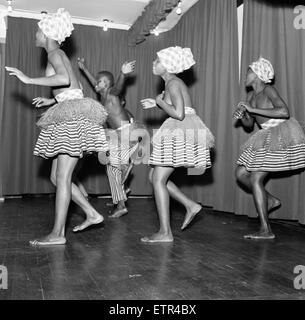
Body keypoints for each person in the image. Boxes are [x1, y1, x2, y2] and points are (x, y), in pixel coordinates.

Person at [5, 8, 109, 245]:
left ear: (47, 32)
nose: (36, 34)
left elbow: (62, 79)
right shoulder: (58, 54)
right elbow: (73, 86)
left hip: (72, 118)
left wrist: (28, 79)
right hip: (69, 111)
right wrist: (53, 99)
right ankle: (92, 214)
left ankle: (58, 234)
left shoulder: (55, 53)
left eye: (38, 30)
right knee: (56, 176)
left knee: (62, 177)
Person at [140, 46, 215, 243]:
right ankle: (190, 205)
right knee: (154, 176)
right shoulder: (171, 83)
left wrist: (160, 102)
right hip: (182, 129)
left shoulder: (173, 82)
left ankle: (165, 232)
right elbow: (176, 107)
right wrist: (157, 102)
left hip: (181, 129)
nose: (154, 63)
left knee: (157, 180)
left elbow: (179, 113)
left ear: (168, 65)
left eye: (158, 61)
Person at [234, 57, 305, 240]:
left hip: (280, 133)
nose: (246, 75)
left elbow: (284, 112)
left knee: (256, 177)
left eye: (249, 71)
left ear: (258, 75)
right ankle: (270, 200)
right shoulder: (250, 96)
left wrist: (253, 109)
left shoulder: (268, 89)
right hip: (264, 135)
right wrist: (243, 114)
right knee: (241, 174)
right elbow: (249, 125)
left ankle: (266, 230)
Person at [77, 58, 142, 219]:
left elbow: (119, 86)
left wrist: (123, 73)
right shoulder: (103, 94)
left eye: (100, 82)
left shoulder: (112, 93)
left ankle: (121, 200)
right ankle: (122, 191)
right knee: (113, 166)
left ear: (107, 83)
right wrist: (84, 68)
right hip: (119, 135)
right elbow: (94, 82)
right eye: (97, 83)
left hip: (126, 133)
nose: (96, 85)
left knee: (113, 168)